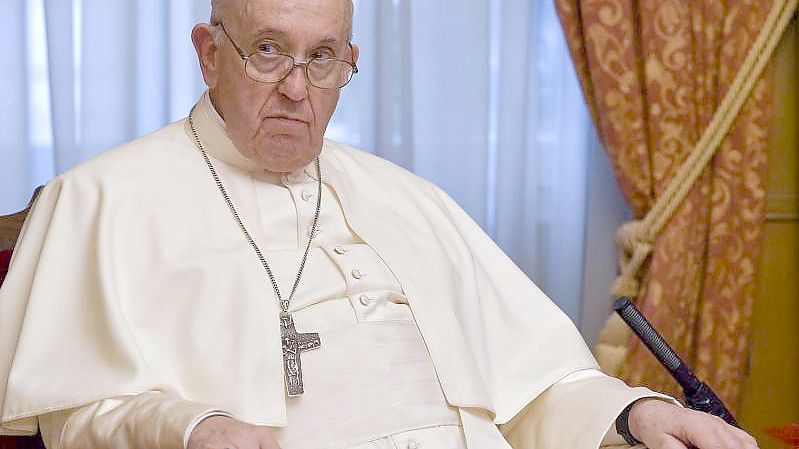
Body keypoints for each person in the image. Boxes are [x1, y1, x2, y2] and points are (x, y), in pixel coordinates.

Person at [0, 1, 759, 448]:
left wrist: (634, 409)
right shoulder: (101, 197)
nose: (298, 88)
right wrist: (192, 425)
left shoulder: (409, 198)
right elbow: (78, 411)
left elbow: (533, 384)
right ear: (209, 54)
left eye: (323, 58)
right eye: (267, 52)